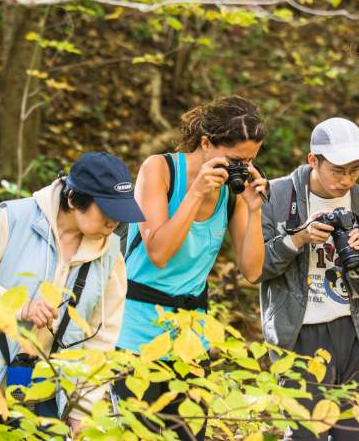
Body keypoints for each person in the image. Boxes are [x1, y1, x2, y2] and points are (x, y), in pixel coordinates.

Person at [0, 152, 143, 435]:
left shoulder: (111, 256)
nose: (114, 223)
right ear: (73, 199)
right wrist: (19, 306)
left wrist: (82, 409)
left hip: (46, 390)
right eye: (106, 211)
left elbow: (101, 336)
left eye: (119, 214)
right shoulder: (12, 218)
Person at [114, 95, 268, 440]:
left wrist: (255, 210)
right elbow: (158, 252)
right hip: (135, 331)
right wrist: (195, 193)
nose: (239, 169)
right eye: (234, 159)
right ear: (205, 142)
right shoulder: (160, 169)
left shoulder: (232, 191)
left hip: (190, 337)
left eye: (249, 162)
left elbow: (253, 270)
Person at [258, 117, 359, 441]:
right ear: (313, 160)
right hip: (300, 333)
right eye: (338, 170)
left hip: (356, 334)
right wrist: (298, 239)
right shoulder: (276, 197)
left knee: (355, 434)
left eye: (355, 170)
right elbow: (256, 268)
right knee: (305, 433)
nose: (346, 180)